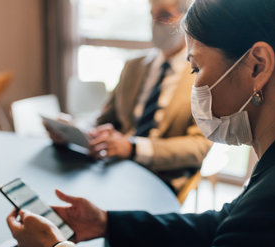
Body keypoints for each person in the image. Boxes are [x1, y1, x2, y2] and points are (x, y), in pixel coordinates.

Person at [8, 0, 275, 247]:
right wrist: (106, 223)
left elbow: (253, 222)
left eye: (196, 67)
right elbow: (227, 222)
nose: (195, 85)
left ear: (258, 66)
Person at [45, 0, 212, 193]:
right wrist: (74, 132)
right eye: (152, 15)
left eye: (165, 15)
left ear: (187, 18)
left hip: (160, 178)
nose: (156, 23)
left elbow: (198, 147)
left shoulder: (200, 74)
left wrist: (132, 148)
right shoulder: (134, 66)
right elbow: (105, 119)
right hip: (116, 168)